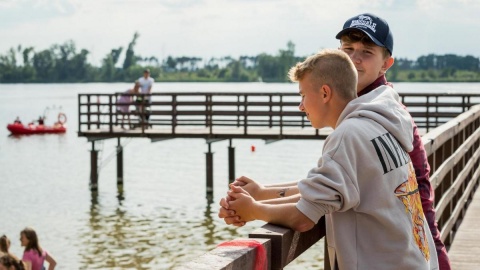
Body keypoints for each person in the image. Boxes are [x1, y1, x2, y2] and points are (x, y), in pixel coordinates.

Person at [219, 12, 451, 269]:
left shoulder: (351, 133)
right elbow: (337, 183)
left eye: (303, 96)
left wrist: (254, 209)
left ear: (325, 92)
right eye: (348, 50)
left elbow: (305, 216)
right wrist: (263, 194)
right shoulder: (386, 117)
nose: (354, 59)